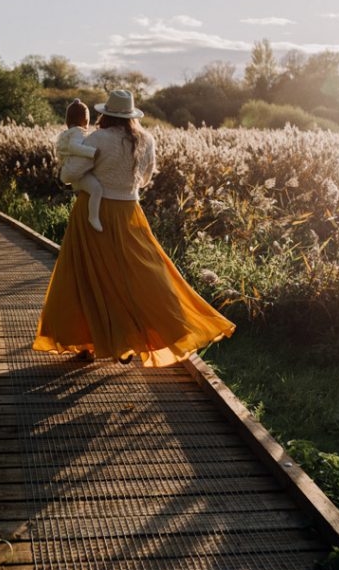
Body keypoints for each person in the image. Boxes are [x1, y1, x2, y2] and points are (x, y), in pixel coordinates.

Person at [33, 89, 236, 368]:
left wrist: (73, 170)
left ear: (106, 114)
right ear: (131, 115)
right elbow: (145, 179)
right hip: (129, 211)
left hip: (96, 211)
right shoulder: (147, 140)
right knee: (139, 271)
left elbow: (71, 175)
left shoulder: (97, 138)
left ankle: (91, 342)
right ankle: (141, 336)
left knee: (88, 275)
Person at [55, 99, 103, 231]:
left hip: (68, 172)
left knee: (89, 189)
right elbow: (73, 147)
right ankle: (93, 217)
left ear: (67, 121)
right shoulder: (78, 132)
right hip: (73, 171)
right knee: (97, 189)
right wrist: (93, 152)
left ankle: (89, 215)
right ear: (86, 121)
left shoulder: (65, 134)